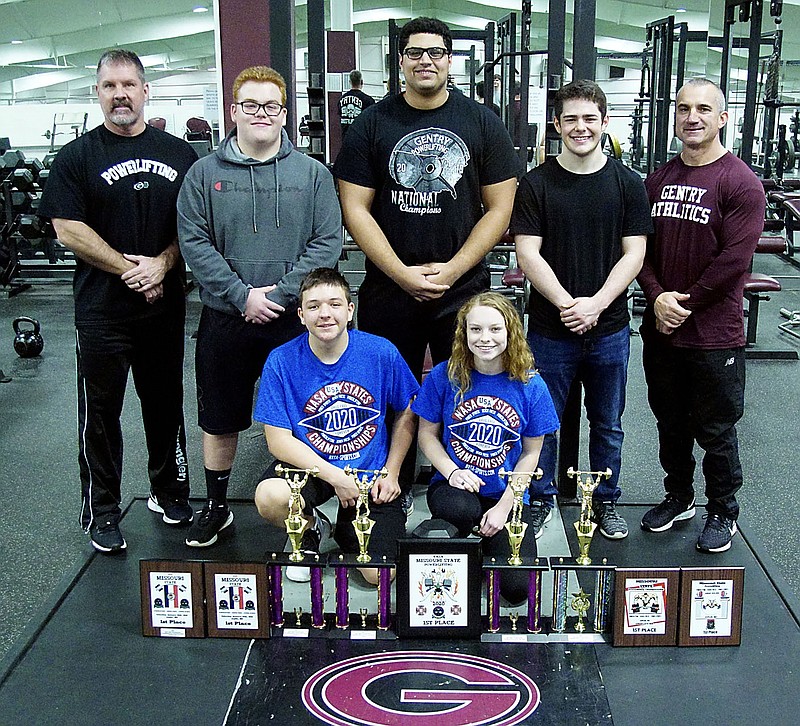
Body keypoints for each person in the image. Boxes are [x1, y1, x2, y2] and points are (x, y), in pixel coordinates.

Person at [334, 16, 519, 497]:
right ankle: (383, 484)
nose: (425, 61)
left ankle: (457, 488)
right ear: (400, 61)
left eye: (435, 52)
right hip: (389, 286)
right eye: (415, 52)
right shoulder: (372, 125)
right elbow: (355, 208)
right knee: (385, 394)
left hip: (462, 287)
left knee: (469, 391)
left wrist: (454, 268)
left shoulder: (481, 122)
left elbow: (500, 209)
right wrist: (400, 274)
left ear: (449, 59)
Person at [37, 50, 198, 553]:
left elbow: (191, 227)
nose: (120, 94)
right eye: (109, 86)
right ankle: (101, 511)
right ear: (98, 93)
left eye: (129, 84)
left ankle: (168, 492)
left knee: (166, 403)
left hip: (163, 307)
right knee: (101, 413)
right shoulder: (76, 157)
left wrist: (163, 264)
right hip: (103, 311)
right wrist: (132, 269)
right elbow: (67, 228)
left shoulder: (178, 154)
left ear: (146, 90)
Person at [177, 66, 342, 548]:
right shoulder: (204, 175)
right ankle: (216, 506)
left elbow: (326, 242)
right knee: (219, 415)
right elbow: (194, 242)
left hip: (292, 320)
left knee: (303, 415)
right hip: (226, 318)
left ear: (285, 113)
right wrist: (240, 295)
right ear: (234, 112)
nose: (261, 114)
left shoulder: (312, 174)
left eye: (272, 106)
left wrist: (276, 296)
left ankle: (301, 509)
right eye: (251, 105)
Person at [511, 79, 652, 541]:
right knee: (543, 424)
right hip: (552, 329)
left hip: (609, 328)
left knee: (608, 425)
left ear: (605, 123)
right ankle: (541, 498)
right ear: (556, 124)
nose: (580, 127)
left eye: (590, 118)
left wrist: (595, 304)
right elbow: (528, 253)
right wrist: (568, 304)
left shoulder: (628, 184)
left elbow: (634, 254)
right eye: (570, 118)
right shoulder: (536, 183)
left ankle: (604, 502)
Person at [638, 78, 766, 553]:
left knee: (715, 428)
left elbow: (735, 261)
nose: (692, 117)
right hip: (662, 329)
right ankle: (679, 496)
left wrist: (682, 303)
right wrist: (656, 297)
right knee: (669, 422)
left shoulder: (740, 182)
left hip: (715, 335)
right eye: (684, 108)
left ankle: (722, 511)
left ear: (722, 117)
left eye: (704, 109)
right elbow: (640, 250)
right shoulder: (658, 179)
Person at [253, 268, 418, 584]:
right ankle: (312, 528)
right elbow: (278, 441)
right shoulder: (281, 360)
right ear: (301, 315)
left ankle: (347, 526)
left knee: (379, 577)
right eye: (314, 306)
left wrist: (393, 472)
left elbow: (408, 411)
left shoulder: (380, 352)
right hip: (312, 467)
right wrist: (337, 478)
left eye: (334, 304)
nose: (324, 314)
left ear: (350, 310)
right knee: (271, 496)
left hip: (369, 474)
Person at [412, 292, 558, 604]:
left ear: (510, 331)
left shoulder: (531, 384)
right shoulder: (445, 375)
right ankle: (466, 534)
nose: (485, 338)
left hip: (508, 494)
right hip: (456, 488)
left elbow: (532, 453)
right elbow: (426, 435)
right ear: (464, 334)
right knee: (458, 510)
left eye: (495, 329)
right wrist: (451, 472)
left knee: (518, 591)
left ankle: (484, 539)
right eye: (475, 330)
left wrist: (505, 507)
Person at [337, 70, 375, 136]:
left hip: (346, 137)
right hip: (361, 138)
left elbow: (340, 115)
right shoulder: (368, 100)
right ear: (361, 82)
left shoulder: (341, 99)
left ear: (350, 82)